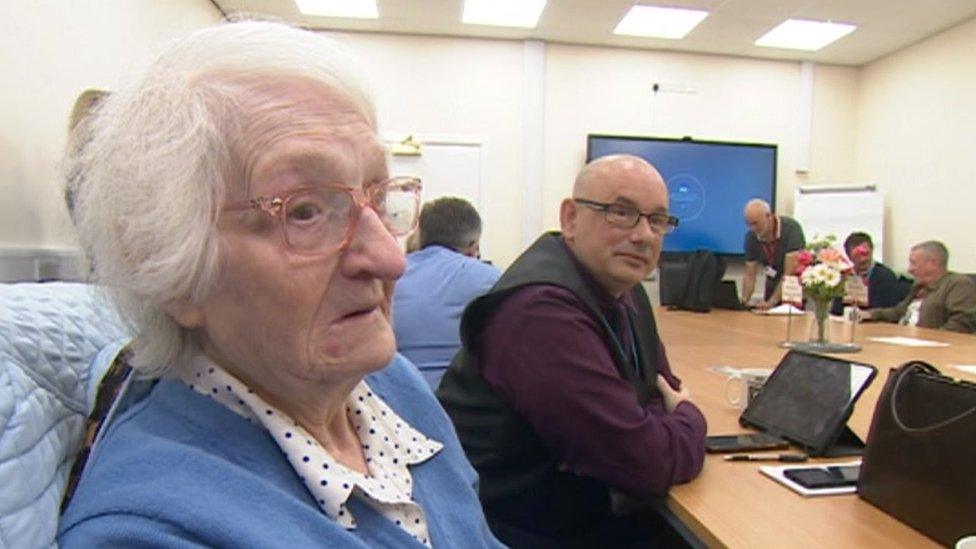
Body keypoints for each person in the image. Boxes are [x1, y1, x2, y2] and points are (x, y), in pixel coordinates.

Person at [57, 21, 501, 548]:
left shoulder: (390, 386)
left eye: (378, 199)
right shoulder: (150, 533)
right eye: (307, 211)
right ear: (168, 269)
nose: (388, 258)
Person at [437, 154, 707, 547]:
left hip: (588, 510)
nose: (644, 235)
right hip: (518, 532)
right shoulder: (539, 313)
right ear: (570, 218)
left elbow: (655, 391)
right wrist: (690, 418)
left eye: (658, 220)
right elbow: (643, 461)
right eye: (621, 212)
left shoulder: (625, 289)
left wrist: (651, 424)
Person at [393, 197, 500, 389]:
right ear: (473, 244)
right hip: (464, 407)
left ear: (421, 234)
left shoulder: (389, 278)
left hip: (396, 405)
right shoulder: (491, 279)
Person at [861, 241, 976, 333]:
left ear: (933, 263)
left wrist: (931, 341)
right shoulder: (919, 286)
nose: (909, 269)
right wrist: (869, 314)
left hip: (931, 349)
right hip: (904, 340)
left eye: (913, 263)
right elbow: (899, 312)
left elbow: (962, 322)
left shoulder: (958, 284)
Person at [740, 199, 806, 309]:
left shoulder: (791, 229)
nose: (752, 228)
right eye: (749, 224)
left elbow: (790, 272)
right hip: (772, 284)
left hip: (792, 288)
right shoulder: (751, 237)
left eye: (756, 223)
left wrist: (772, 302)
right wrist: (744, 302)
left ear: (769, 216)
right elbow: (749, 274)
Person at [830, 231, 909, 314]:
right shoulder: (845, 276)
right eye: (857, 256)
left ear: (871, 251)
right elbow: (836, 310)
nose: (863, 260)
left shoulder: (885, 276)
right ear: (849, 256)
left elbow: (888, 310)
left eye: (866, 255)